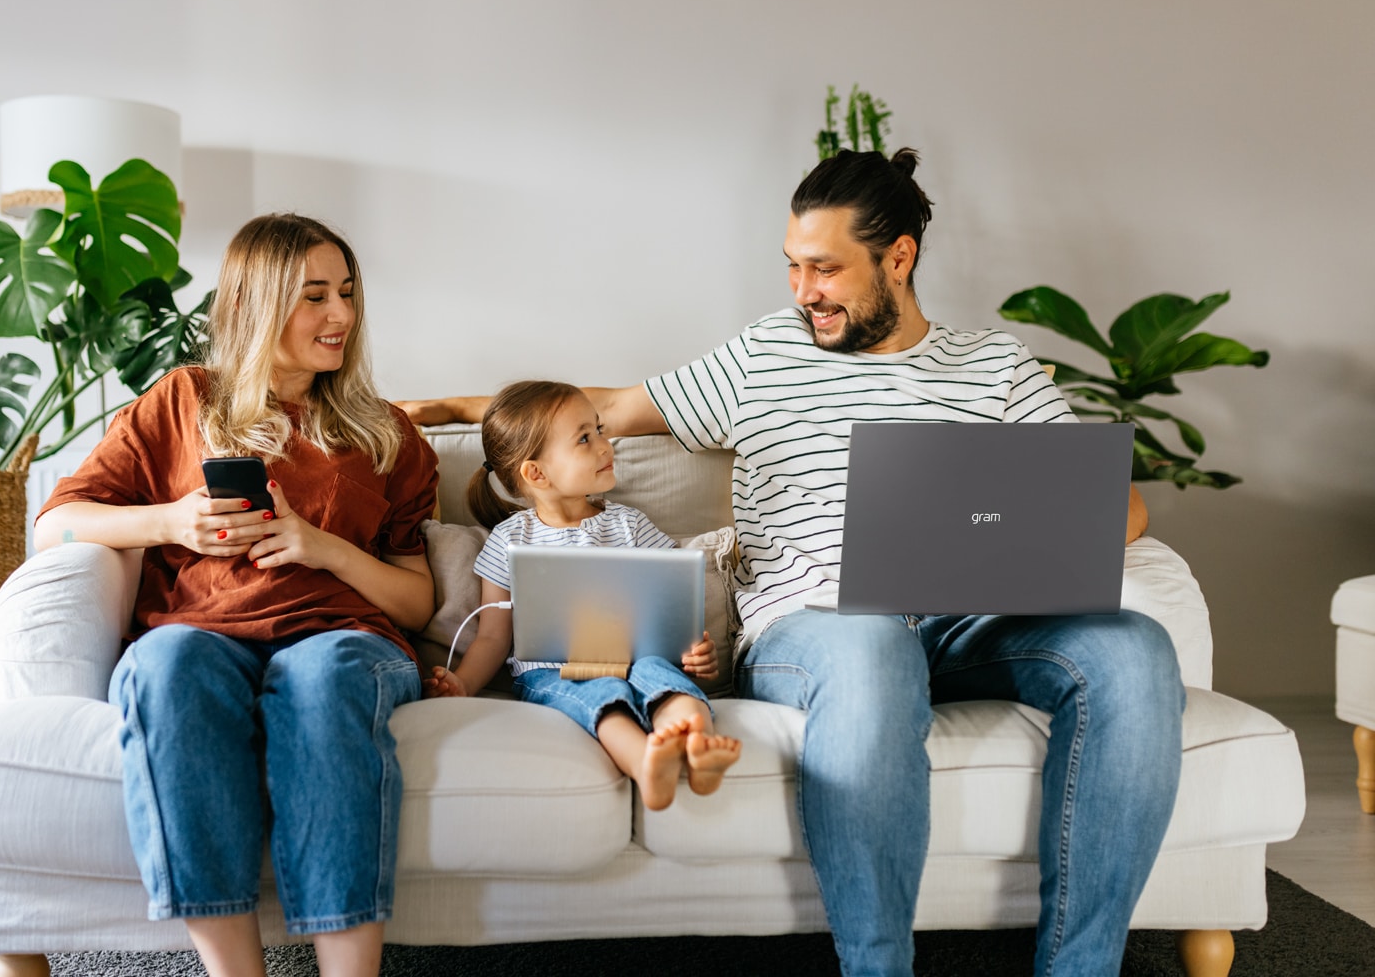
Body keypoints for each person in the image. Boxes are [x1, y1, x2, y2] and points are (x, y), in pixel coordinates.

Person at [400, 149, 1185, 977]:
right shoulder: (767, 354)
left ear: (899, 259)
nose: (802, 290)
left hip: (970, 622)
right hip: (818, 629)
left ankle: (1082, 969)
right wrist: (453, 408)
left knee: (1134, 651)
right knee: (873, 639)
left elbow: (1121, 512)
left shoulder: (996, 369)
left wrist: (1002, 511)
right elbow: (597, 411)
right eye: (792, 267)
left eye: (824, 269)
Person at [34, 214, 439, 977]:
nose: (342, 316)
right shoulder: (185, 400)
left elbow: (415, 605)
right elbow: (56, 523)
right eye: (315, 295)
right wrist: (172, 521)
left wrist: (324, 548)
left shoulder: (387, 435)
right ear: (255, 303)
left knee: (322, 679)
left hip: (342, 638)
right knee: (166, 666)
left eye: (347, 293)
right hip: (206, 631)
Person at [423, 380, 742, 811]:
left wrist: (695, 651)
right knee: (601, 698)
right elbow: (493, 638)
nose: (606, 446)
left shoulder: (630, 524)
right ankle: (646, 764)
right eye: (585, 439)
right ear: (536, 473)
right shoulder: (510, 540)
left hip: (638, 660)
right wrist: (463, 682)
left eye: (601, 430)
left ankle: (697, 744)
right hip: (552, 671)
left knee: (664, 679)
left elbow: (675, 602)